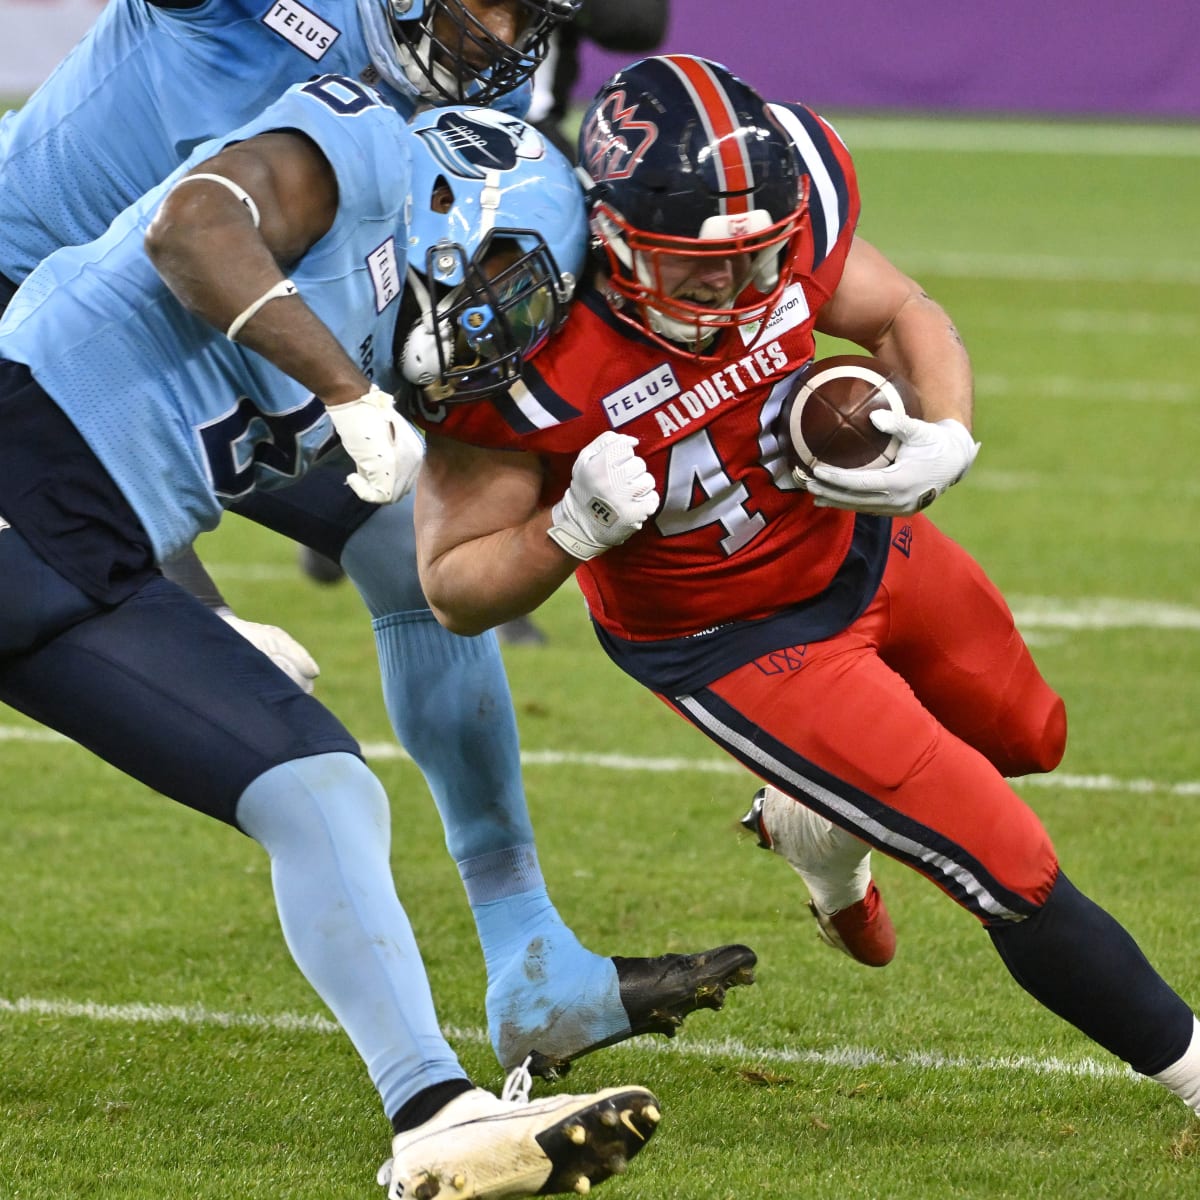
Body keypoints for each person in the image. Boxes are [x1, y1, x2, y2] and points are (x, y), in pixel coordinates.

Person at [408, 54, 1200, 1123]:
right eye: (701, 268)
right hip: (734, 643)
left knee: (1033, 735)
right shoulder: (532, 331)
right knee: (1007, 861)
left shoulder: (786, 233)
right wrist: (568, 530)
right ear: (615, 237)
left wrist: (947, 434)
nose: (740, 290)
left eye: (761, 258)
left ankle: (815, 823)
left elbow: (900, 310)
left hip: (862, 547)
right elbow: (453, 588)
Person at [0, 0, 757, 1076]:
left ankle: (531, 956)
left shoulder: (485, 79)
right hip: (50, 324)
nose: (501, 36)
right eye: (489, 1)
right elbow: (193, 232)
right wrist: (197, 606)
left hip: (245, 339)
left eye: (528, 14)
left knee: (413, 551)